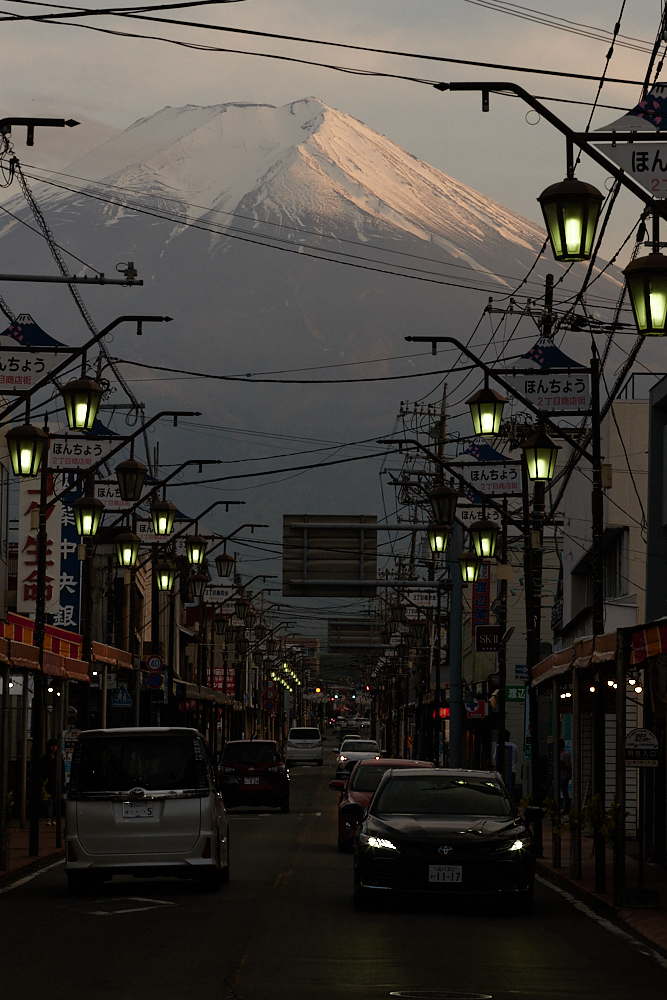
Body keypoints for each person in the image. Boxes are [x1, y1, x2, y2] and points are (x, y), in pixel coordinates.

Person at [40, 739, 61, 826]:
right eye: (52, 746)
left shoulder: (58, 758)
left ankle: (54, 818)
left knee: (55, 801)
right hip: (49, 782)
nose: (54, 748)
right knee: (49, 801)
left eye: (55, 746)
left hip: (56, 781)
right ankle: (49, 818)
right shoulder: (45, 758)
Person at [558, 738, 572, 814]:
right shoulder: (558, 754)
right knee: (553, 790)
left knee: (564, 791)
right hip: (559, 775)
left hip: (564, 775)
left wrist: (561, 766)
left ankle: (567, 807)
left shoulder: (566, 754)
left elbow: (568, 765)